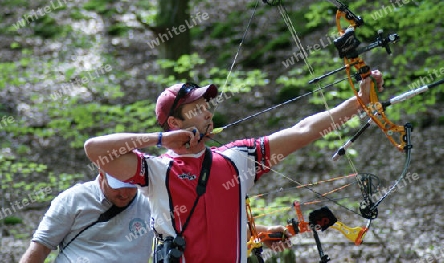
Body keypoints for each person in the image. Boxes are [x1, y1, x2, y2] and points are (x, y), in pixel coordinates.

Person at [83, 72, 383, 263]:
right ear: (175, 122)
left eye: (207, 107)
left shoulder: (238, 157)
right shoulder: (156, 171)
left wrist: (358, 102)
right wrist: (161, 138)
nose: (208, 113)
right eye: (197, 109)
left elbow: (304, 130)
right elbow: (94, 149)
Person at [19, 170, 153, 263]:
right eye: (117, 186)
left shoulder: (151, 203)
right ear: (102, 175)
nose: (124, 194)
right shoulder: (74, 199)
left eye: (130, 186)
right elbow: (41, 247)